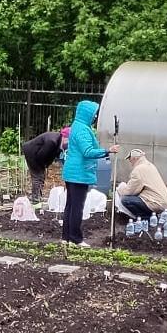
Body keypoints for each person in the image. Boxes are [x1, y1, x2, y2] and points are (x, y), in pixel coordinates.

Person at [60, 99, 118, 245]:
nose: (95, 117)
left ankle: (66, 238)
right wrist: (107, 151)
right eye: (94, 114)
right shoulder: (82, 130)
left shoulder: (77, 126)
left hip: (73, 172)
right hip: (79, 173)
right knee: (77, 207)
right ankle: (76, 239)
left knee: (71, 205)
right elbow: (87, 152)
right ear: (87, 114)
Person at [115, 149, 167, 221]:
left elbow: (129, 191)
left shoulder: (138, 170)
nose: (130, 162)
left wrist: (120, 188)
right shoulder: (150, 166)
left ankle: (145, 218)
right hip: (164, 202)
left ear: (135, 158)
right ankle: (154, 215)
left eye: (130, 160)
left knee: (125, 200)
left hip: (155, 203)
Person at [20, 125, 72, 202]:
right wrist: (44, 166)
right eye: (69, 140)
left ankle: (38, 196)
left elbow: (56, 155)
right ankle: (35, 198)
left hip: (37, 153)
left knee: (41, 175)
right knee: (38, 176)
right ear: (64, 137)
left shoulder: (58, 141)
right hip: (32, 152)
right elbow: (41, 156)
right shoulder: (52, 141)